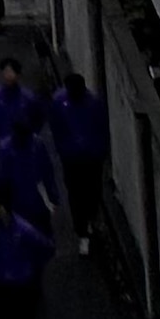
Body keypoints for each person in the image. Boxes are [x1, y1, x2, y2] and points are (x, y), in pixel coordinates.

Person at [48, 67, 115, 248]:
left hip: (90, 156)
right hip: (73, 157)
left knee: (91, 191)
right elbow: (56, 126)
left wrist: (100, 151)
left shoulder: (92, 103)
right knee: (76, 192)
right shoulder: (60, 102)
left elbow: (102, 128)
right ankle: (82, 229)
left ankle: (89, 221)